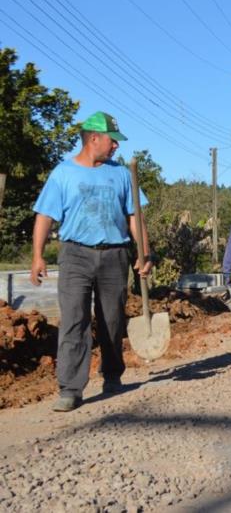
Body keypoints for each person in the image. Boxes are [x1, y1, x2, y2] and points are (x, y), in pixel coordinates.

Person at [29, 111, 153, 412]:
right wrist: (37, 256)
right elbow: (44, 215)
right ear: (94, 138)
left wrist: (145, 252)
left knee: (112, 318)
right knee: (75, 319)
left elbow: (134, 216)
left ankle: (112, 375)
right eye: (113, 141)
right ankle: (71, 388)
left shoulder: (122, 174)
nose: (116, 147)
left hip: (115, 254)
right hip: (75, 254)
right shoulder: (63, 173)